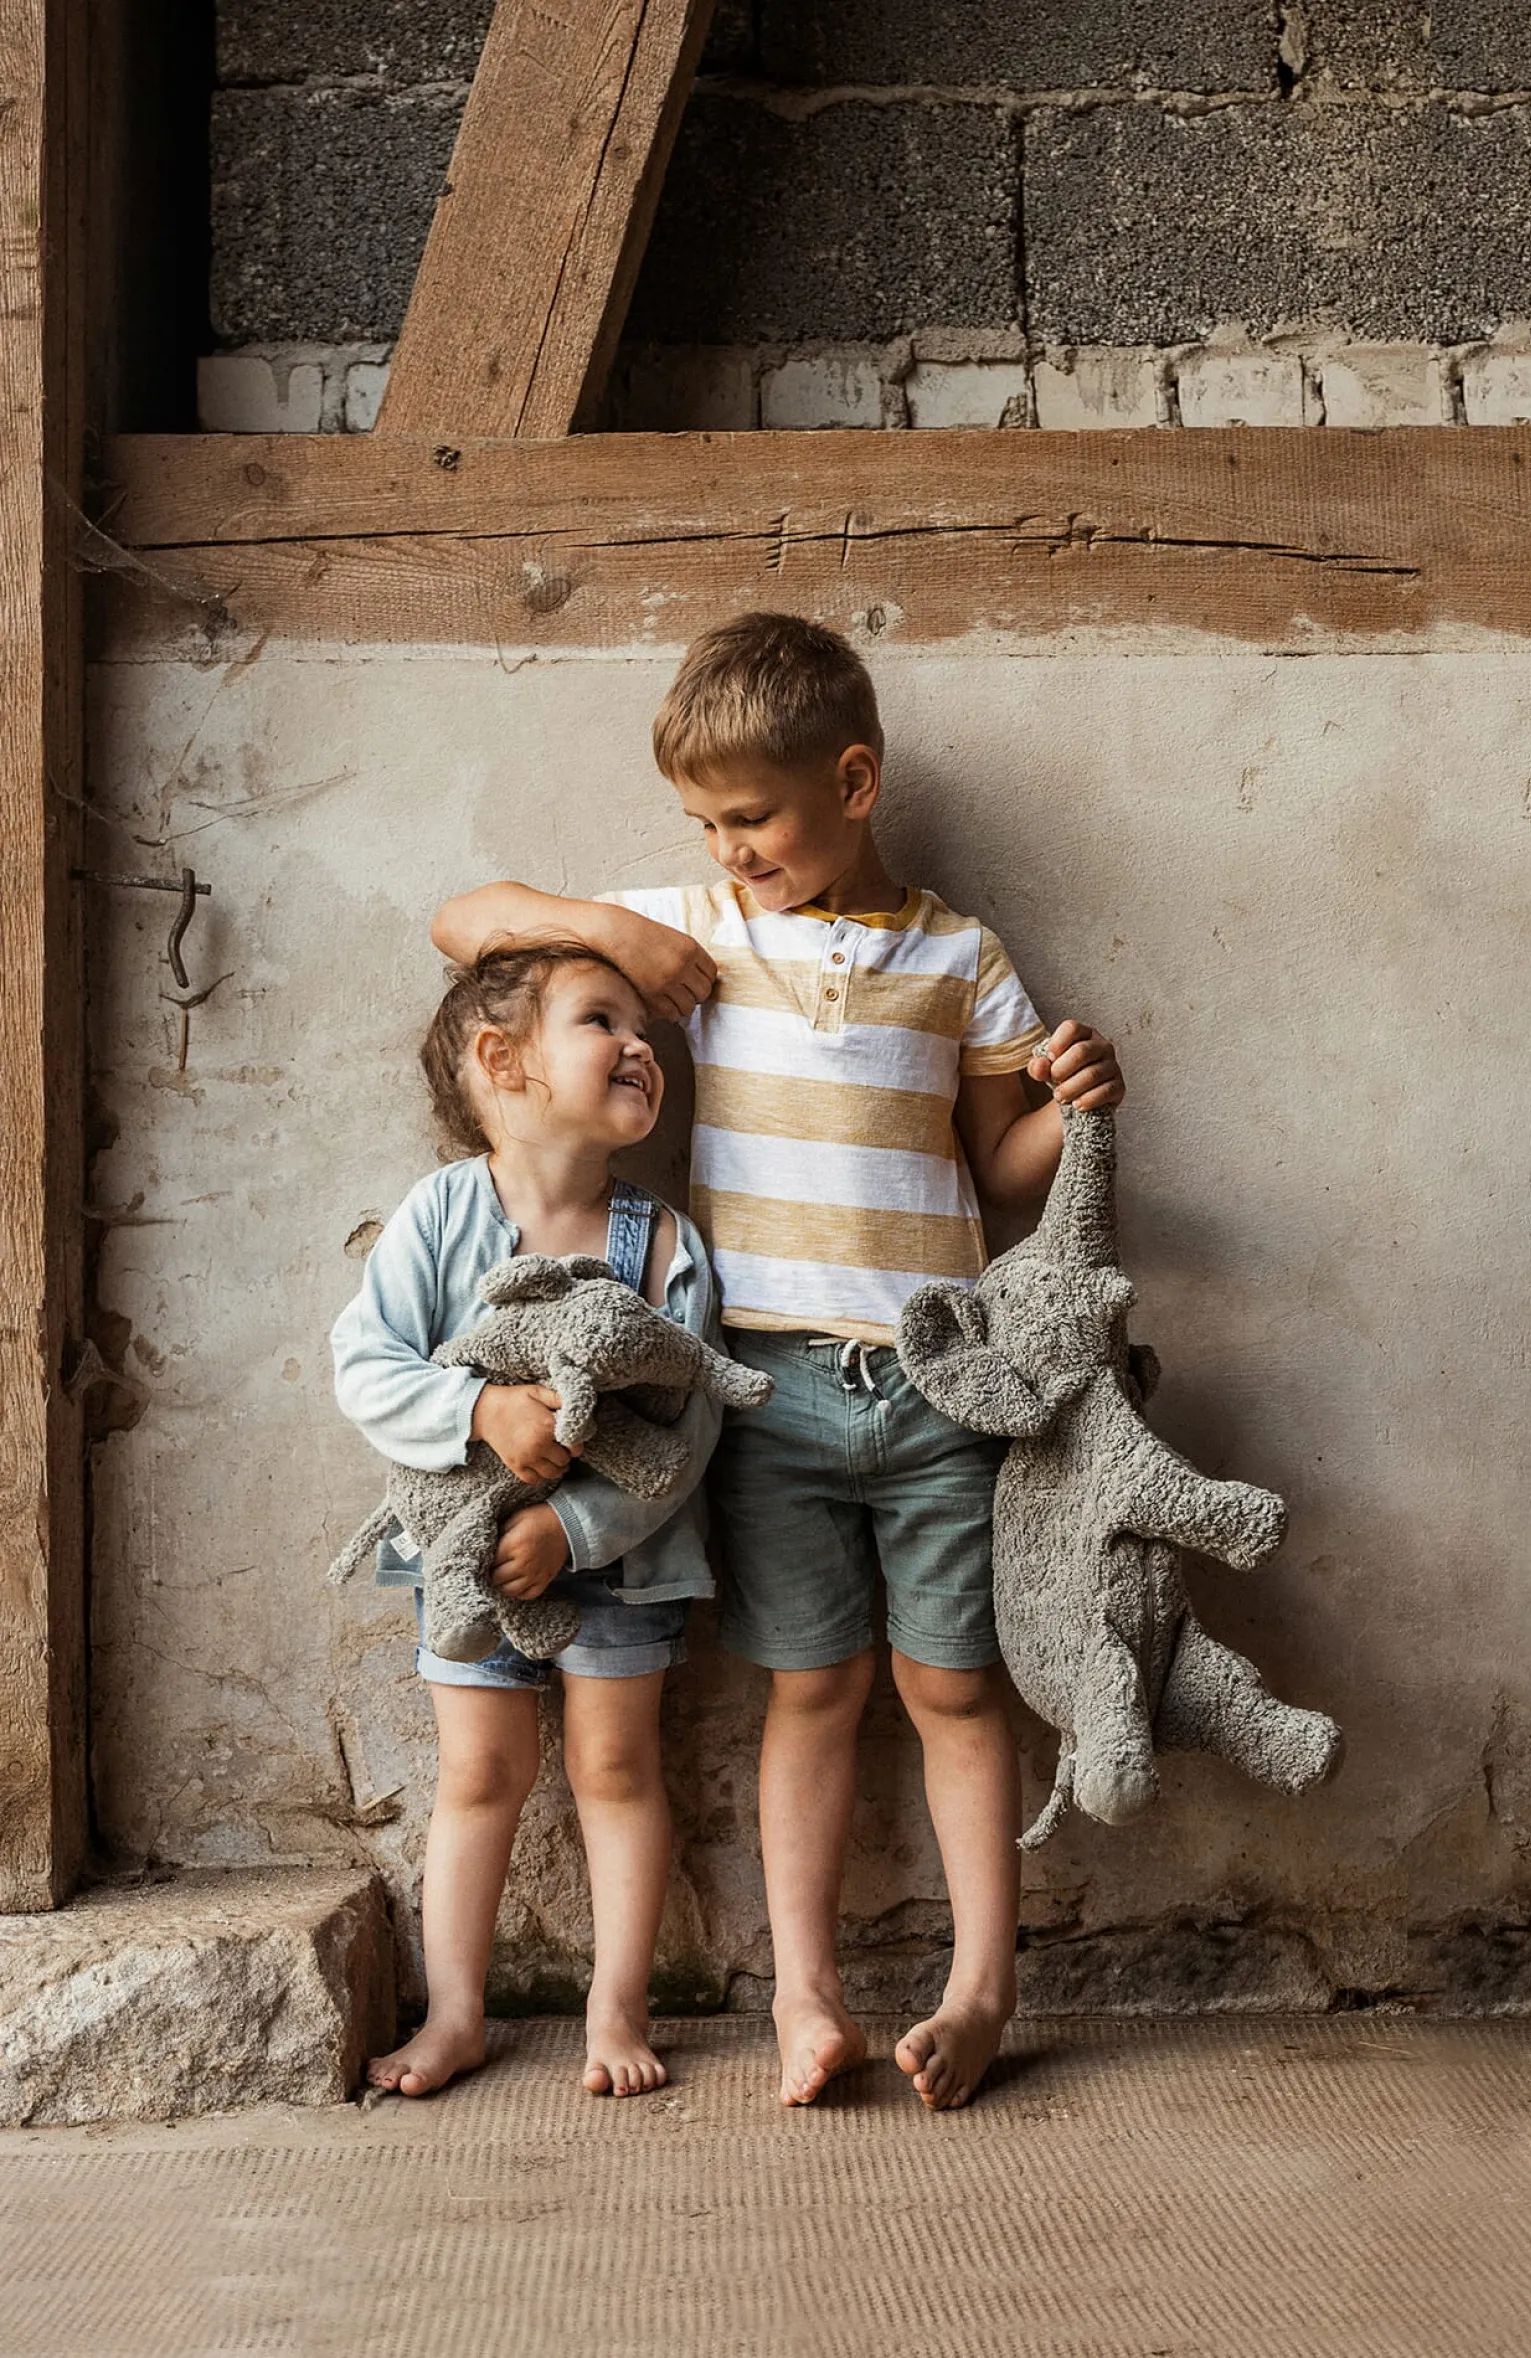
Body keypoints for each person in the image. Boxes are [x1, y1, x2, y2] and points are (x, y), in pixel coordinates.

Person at [432, 612, 1125, 2111]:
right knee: (810, 1688)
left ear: (855, 781)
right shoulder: (705, 938)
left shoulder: (962, 954)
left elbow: (1001, 1172)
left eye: (751, 817)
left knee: (953, 1687)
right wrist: (617, 933)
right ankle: (805, 1996)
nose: (728, 847)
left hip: (940, 1385)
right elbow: (464, 920)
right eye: (704, 823)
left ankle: (983, 1987)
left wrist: (1067, 1104)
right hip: (761, 1388)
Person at [331, 940, 727, 2100]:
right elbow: (364, 1362)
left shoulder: (660, 1243)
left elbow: (689, 1429)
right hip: (466, 1564)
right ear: (503, 1062)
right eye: (601, 1020)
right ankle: (456, 2012)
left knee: (615, 1767)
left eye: (642, 1028)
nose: (638, 1045)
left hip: (622, 1560)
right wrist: (479, 1409)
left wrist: (578, 1530)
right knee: (478, 1775)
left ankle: (617, 2005)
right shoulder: (444, 1216)